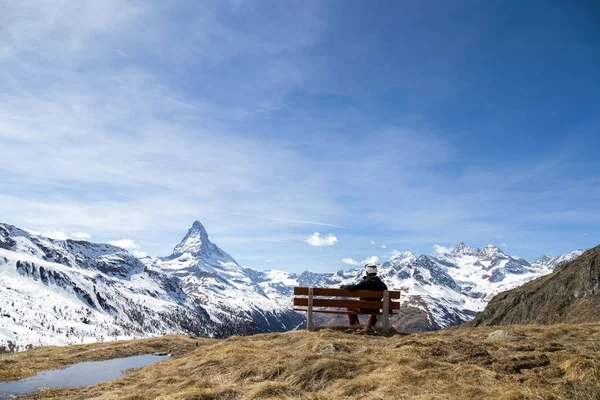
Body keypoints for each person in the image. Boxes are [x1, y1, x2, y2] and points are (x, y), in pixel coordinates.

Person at [340, 264, 388, 328]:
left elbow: (354, 288)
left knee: (350, 306)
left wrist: (344, 286)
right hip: (375, 308)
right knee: (375, 311)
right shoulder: (382, 285)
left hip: (363, 308)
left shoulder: (365, 282)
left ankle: (354, 326)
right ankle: (370, 328)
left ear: (367, 272)